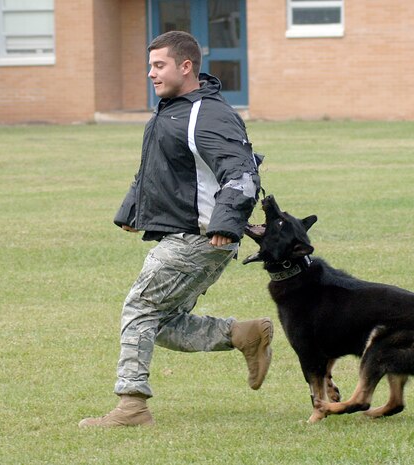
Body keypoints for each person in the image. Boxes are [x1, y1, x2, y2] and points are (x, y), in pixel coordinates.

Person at [79, 31, 273, 428]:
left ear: (186, 67)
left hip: (201, 237)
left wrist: (226, 222)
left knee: (139, 309)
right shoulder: (174, 108)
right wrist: (132, 211)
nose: (150, 73)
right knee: (160, 321)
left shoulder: (209, 114)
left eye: (159, 65)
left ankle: (131, 407)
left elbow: (242, 173)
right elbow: (162, 167)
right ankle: (242, 335)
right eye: (149, 66)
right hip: (185, 233)